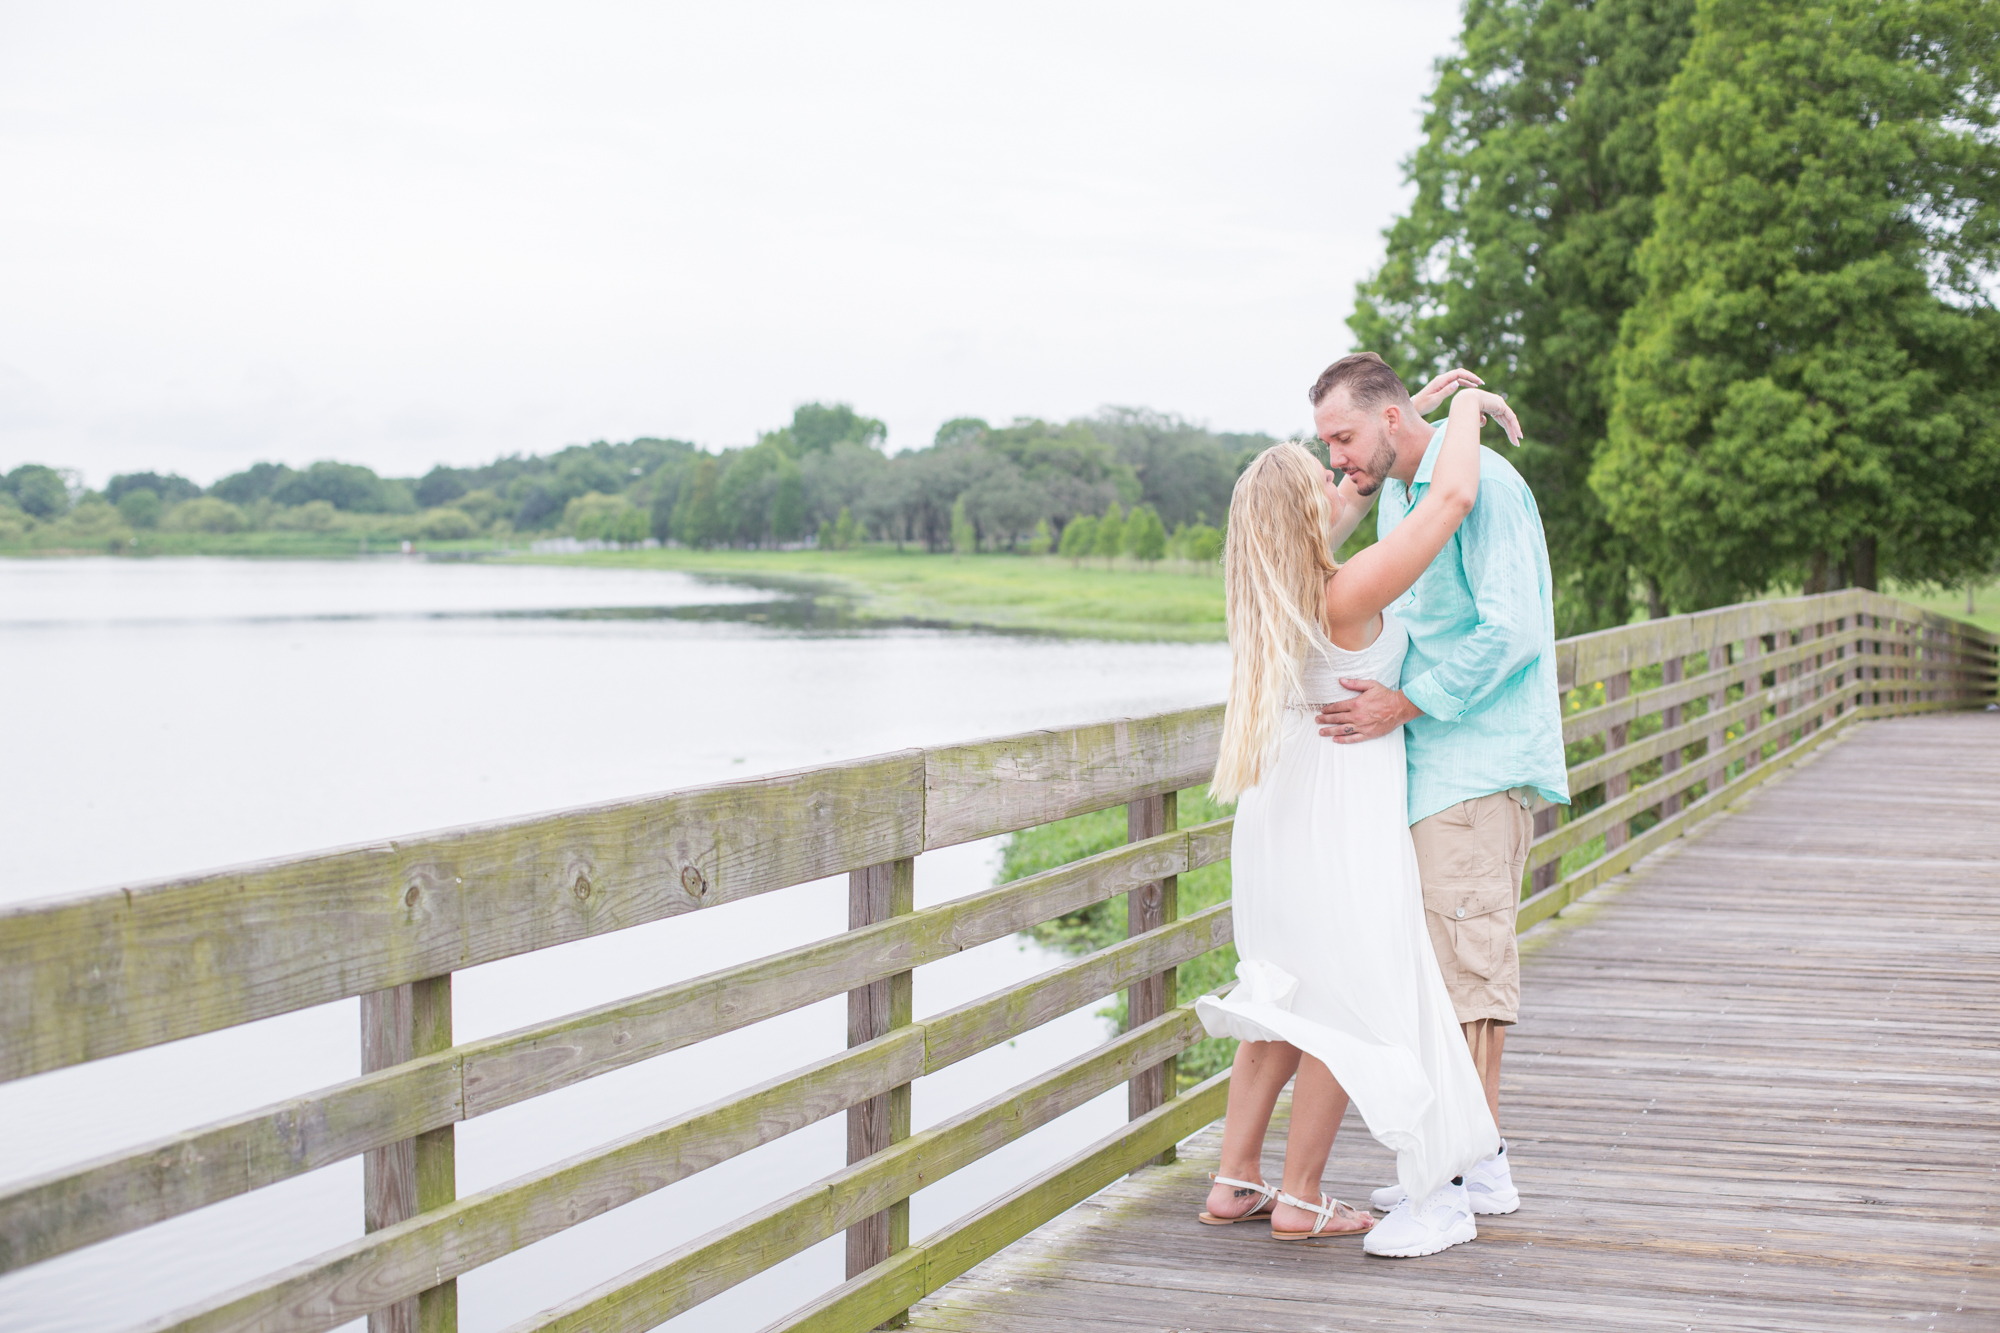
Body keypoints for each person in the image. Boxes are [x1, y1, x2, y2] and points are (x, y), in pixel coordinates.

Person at [1193, 373, 1521, 1259]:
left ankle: (1235, 1179)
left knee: (1282, 991)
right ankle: (1300, 1195)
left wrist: (1395, 414)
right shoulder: (1344, 593)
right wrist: (1462, 408)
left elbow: (1355, 486)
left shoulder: (1268, 588)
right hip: (1339, 807)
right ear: (1305, 511)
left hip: (1277, 809)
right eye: (1323, 467)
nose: (1340, 474)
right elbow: (1449, 494)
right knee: (1341, 997)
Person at [1310, 352, 1571, 1229]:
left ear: (1387, 422)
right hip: (1425, 766)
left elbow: (1515, 629)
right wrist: (1418, 410)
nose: (1336, 458)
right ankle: (1474, 1161)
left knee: (1469, 978)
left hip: (1475, 762)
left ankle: (1457, 1180)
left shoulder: (1485, 485)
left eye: (1343, 436)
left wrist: (1407, 701)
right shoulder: (1400, 490)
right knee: (1435, 972)